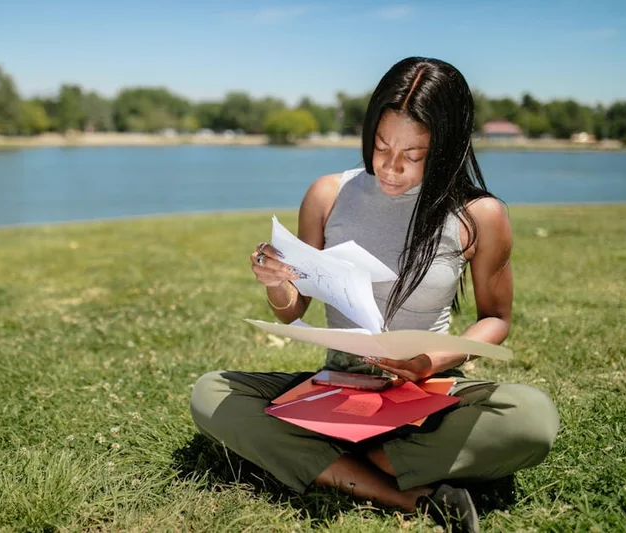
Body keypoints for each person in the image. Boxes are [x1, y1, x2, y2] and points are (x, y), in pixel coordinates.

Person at [190, 57, 560, 533]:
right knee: (212, 393)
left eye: (414, 154)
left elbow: (496, 318)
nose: (391, 166)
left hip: (427, 391)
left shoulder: (478, 214)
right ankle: (405, 493)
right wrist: (278, 283)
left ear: (447, 146)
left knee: (531, 418)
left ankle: (341, 459)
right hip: (337, 387)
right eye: (381, 146)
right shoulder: (328, 194)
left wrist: (429, 361)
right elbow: (292, 310)